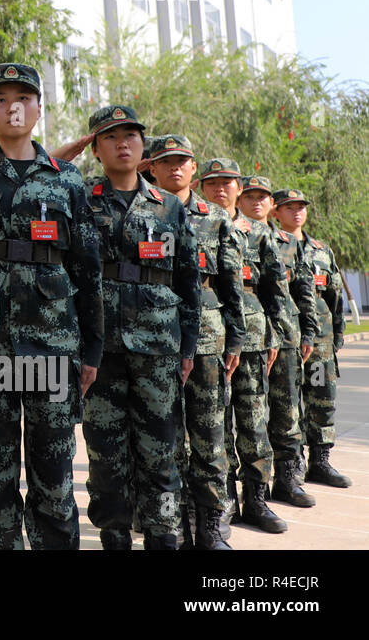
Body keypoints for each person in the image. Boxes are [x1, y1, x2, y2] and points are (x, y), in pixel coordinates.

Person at [0, 63, 101, 550]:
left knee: (53, 476)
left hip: (53, 348)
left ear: (39, 109)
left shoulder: (67, 181)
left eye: (23, 97)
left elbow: (87, 269)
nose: (13, 107)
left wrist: (92, 349)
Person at [81, 106, 199, 550]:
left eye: (131, 134)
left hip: (159, 346)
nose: (124, 143)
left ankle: (163, 537)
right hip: (102, 350)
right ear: (95, 148)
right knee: (106, 456)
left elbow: (188, 279)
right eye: (111, 136)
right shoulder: (83, 199)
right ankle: (114, 537)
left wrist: (188, 346)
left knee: (161, 454)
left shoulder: (167, 206)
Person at [146, 136, 244, 550]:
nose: (175, 168)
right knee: (164, 437)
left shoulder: (216, 217)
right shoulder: (142, 208)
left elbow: (231, 282)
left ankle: (211, 523)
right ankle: (176, 521)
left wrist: (235, 338)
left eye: (182, 161)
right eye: (166, 161)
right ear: (153, 167)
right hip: (153, 333)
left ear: (193, 167)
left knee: (208, 433)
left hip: (206, 335)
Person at [198, 160, 289, 534]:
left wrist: (277, 335)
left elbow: (275, 288)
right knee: (212, 427)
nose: (221, 189)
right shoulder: (195, 222)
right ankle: (220, 504)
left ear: (238, 187)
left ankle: (256, 499)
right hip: (207, 336)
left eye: (228, 183)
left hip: (252, 338)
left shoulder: (258, 233)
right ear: (202, 187)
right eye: (213, 183)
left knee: (253, 422)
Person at [239, 175, 320, 509]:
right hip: (248, 338)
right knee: (250, 416)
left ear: (272, 205)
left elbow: (304, 289)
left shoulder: (288, 242)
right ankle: (243, 493)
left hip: (285, 337)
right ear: (240, 201)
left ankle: (288, 481)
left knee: (287, 412)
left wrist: (309, 332)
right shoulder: (231, 234)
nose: (257, 202)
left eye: (263, 197)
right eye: (251, 196)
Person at [272, 189, 352, 488]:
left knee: (321, 399)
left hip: (320, 342)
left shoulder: (321, 250)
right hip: (289, 340)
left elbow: (335, 297)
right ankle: (291, 465)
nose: (296, 212)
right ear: (276, 212)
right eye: (289, 207)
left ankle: (320, 460)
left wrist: (337, 335)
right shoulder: (273, 245)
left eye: (301, 207)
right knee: (287, 404)